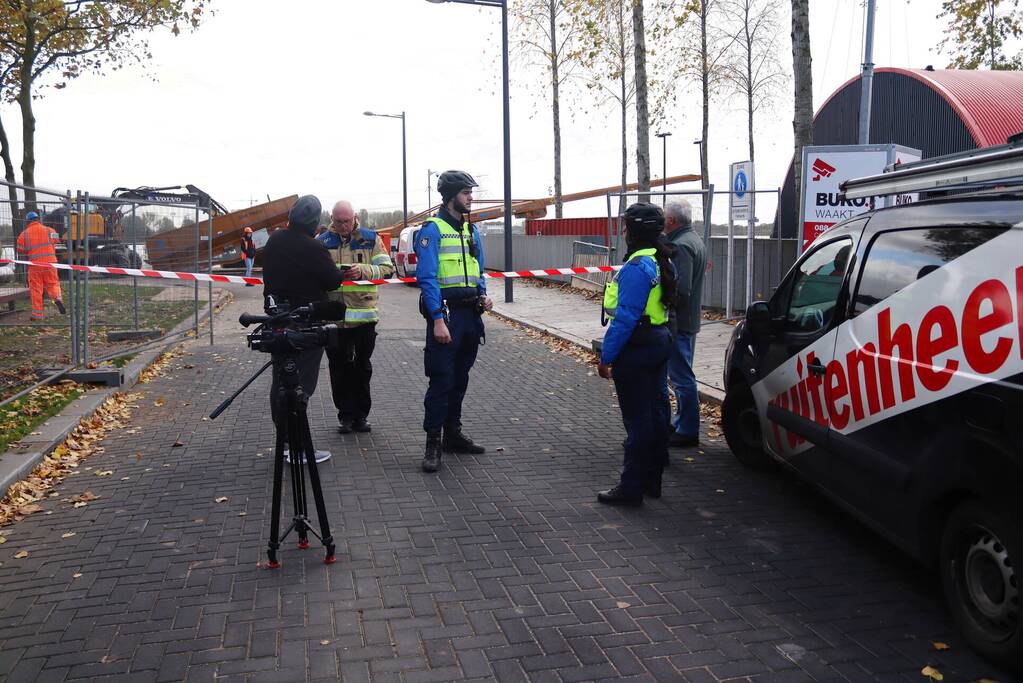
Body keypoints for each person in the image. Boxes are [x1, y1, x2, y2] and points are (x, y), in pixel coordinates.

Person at [596, 202, 677, 506]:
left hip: (638, 345)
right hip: (659, 339)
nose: (624, 231)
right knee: (656, 411)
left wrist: (607, 357)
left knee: (637, 420)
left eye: (627, 226)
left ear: (634, 231)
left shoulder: (636, 267)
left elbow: (626, 318)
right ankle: (651, 479)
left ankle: (630, 488)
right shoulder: (662, 259)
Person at [415, 170, 493, 473]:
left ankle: (453, 435)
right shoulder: (432, 229)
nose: (471, 198)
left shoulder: (470, 231)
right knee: (442, 380)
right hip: (446, 315)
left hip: (471, 315)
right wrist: (437, 319)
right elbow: (427, 278)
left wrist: (484, 295)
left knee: (460, 379)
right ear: (450, 196)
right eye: (465, 193)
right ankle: (433, 442)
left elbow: (479, 269)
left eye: (471, 192)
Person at [261, 195, 346, 463]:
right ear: (314, 222)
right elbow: (332, 281)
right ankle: (296, 448)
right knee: (300, 386)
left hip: (278, 321)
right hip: (305, 324)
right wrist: (344, 271)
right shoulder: (313, 248)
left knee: (281, 381)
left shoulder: (275, 241)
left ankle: (285, 441)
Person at [318, 200, 394, 434]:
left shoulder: (371, 239)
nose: (342, 226)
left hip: (363, 317)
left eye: (347, 221)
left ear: (354, 218)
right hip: (334, 319)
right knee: (338, 369)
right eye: (338, 221)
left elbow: (387, 269)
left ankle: (361, 415)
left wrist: (363, 271)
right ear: (332, 218)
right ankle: (345, 416)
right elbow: (314, 272)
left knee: (362, 368)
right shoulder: (322, 242)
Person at [661, 200, 706, 448]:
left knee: (681, 376)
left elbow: (682, 289)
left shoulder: (681, 246)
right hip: (688, 320)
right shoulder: (693, 239)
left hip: (680, 322)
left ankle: (688, 429)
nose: (661, 221)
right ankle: (682, 423)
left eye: (664, 217)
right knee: (681, 373)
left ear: (672, 221)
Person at [16, 211, 65, 319]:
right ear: (38, 219)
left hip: (35, 265)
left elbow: (20, 250)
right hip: (50, 264)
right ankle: (57, 299)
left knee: (36, 289)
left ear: (28, 221)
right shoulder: (50, 230)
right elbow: (57, 239)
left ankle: (38, 314)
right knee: (53, 284)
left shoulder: (23, 235)